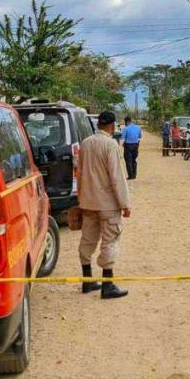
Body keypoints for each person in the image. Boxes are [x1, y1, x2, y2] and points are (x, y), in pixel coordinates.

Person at [77, 111, 131, 299]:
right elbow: (117, 177)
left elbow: (79, 173)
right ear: (112, 125)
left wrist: (80, 198)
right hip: (107, 204)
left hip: (88, 202)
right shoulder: (111, 145)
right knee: (110, 240)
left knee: (88, 240)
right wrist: (125, 203)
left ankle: (87, 281)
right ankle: (107, 286)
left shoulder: (85, 144)